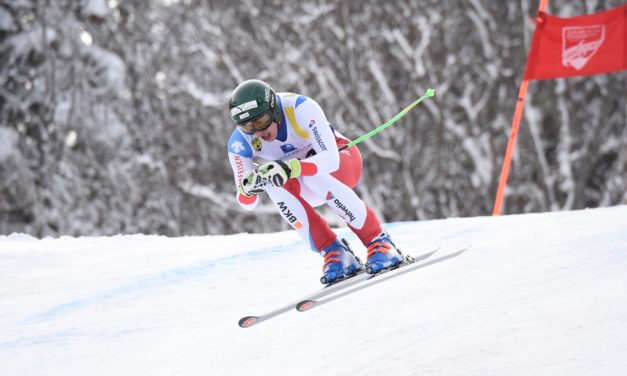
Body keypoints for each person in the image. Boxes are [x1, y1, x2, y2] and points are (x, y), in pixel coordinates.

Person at [227, 79, 405, 284]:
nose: (258, 132)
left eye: (261, 122)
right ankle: (334, 252)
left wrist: (292, 167)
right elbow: (247, 205)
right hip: (301, 180)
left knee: (313, 175)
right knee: (269, 181)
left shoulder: (300, 108)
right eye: (248, 127)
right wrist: (248, 189)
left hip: (341, 164)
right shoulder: (239, 142)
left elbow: (330, 159)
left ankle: (378, 241)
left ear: (274, 109)